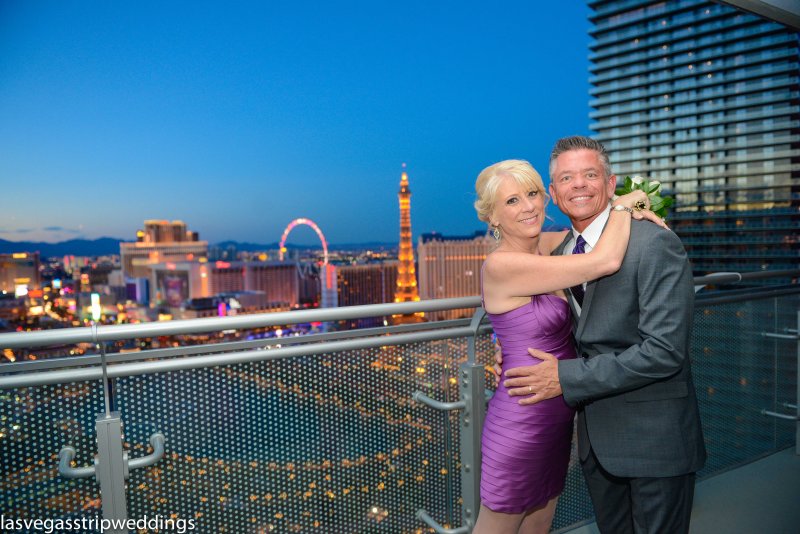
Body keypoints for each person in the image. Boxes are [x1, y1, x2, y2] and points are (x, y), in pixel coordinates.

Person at [500, 136, 706, 534]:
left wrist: (565, 377)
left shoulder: (654, 242)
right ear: (554, 193)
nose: (578, 184)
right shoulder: (561, 256)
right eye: (566, 178)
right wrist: (513, 349)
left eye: (590, 175)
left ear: (611, 185)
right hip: (597, 443)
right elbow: (563, 328)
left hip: (655, 439)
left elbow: (664, 351)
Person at [472, 159, 663, 534]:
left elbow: (597, 233)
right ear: (492, 217)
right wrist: (624, 205)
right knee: (497, 525)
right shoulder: (500, 265)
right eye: (512, 201)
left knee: (539, 524)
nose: (528, 206)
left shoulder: (545, 247)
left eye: (532, 194)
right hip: (522, 417)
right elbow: (605, 260)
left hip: (558, 411)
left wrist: (638, 205)